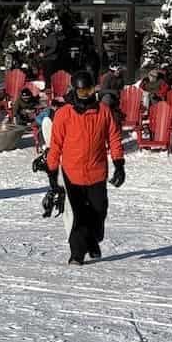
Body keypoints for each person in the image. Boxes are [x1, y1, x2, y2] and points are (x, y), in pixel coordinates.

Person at [36, 70, 125, 265]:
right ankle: (77, 253)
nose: (87, 95)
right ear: (75, 91)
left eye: (90, 90)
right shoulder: (64, 114)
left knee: (99, 211)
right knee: (79, 215)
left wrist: (119, 163)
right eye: (82, 92)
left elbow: (114, 138)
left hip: (97, 172)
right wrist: (52, 171)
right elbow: (56, 145)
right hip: (72, 173)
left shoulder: (103, 111)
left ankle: (93, 239)